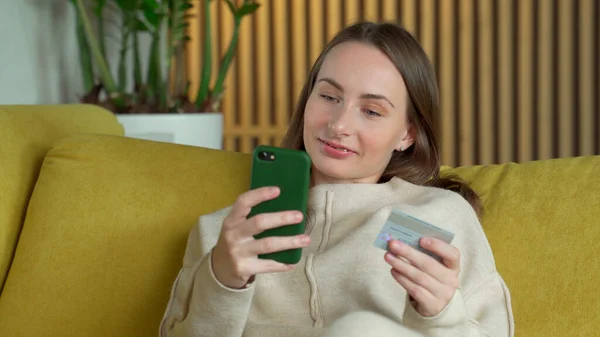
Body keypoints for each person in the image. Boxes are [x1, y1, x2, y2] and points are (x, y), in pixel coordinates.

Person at [159, 21, 514, 337]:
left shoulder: (437, 216)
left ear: (408, 133)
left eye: (372, 111)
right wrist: (221, 280)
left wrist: (440, 317)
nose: (339, 125)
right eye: (329, 96)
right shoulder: (224, 233)